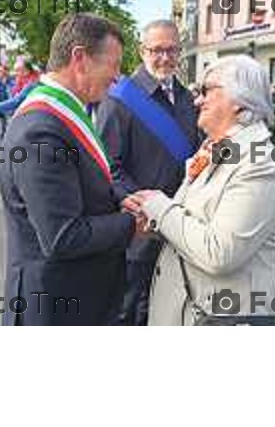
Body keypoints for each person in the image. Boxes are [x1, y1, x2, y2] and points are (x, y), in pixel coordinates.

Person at [124, 55, 275, 326]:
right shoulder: (217, 148)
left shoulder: (260, 163)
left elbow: (220, 253)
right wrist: (154, 222)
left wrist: (159, 206)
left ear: (239, 100)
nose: (197, 100)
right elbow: (190, 219)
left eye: (206, 90)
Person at [0, 13, 142, 326]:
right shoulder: (40, 129)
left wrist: (121, 198)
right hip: (55, 306)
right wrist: (133, 224)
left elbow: (84, 177)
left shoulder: (64, 114)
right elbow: (63, 236)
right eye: (114, 64)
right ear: (80, 58)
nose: (117, 76)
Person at [95, 19, 200, 325]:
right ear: (142, 51)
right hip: (142, 228)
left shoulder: (186, 98)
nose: (165, 58)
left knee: (169, 304)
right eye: (156, 50)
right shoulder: (120, 100)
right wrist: (144, 209)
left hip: (182, 222)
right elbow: (108, 166)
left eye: (171, 50)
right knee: (132, 307)